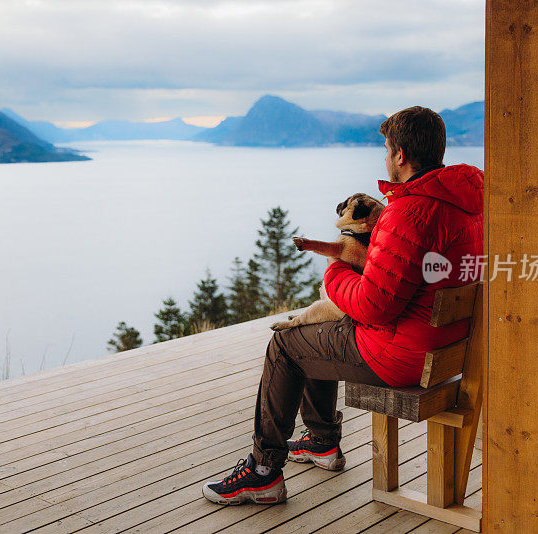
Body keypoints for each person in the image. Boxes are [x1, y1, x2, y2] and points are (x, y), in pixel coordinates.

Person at [202, 106, 484, 505]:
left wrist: (335, 270)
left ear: (401, 155)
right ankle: (320, 443)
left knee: (286, 345)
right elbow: (409, 275)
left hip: (401, 356)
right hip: (445, 348)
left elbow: (373, 306)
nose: (385, 157)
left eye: (387, 149)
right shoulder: (467, 203)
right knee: (315, 337)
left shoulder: (409, 211)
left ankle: (264, 470)